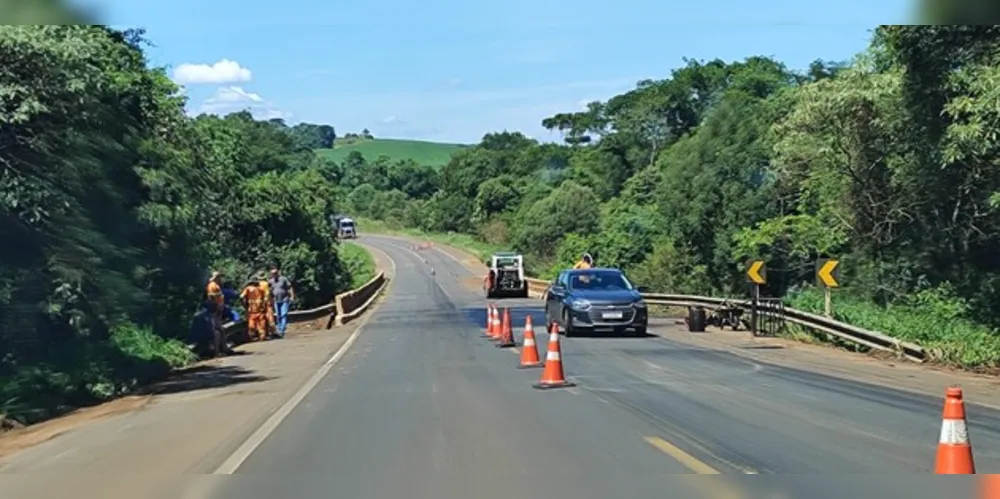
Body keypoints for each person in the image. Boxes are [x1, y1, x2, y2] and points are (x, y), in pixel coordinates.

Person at [268, 265, 295, 338]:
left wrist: (292, 296)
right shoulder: (270, 281)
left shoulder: (284, 279)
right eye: (273, 274)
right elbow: (269, 291)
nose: (274, 275)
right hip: (276, 300)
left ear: (278, 273)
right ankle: (279, 328)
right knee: (278, 315)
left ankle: (282, 330)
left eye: (275, 273)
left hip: (284, 299)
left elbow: (290, 288)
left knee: (284, 314)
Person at [240, 275, 268, 342]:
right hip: (260, 308)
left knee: (252, 323)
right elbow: (265, 298)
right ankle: (262, 336)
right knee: (261, 323)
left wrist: (244, 305)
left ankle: (252, 336)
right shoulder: (261, 289)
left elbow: (241, 297)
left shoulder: (248, 289)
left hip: (251, 309)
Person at [258, 274, 276, 338]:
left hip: (259, 304)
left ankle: (263, 334)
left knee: (261, 319)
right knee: (270, 318)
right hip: (267, 303)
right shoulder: (267, 284)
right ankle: (273, 332)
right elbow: (268, 294)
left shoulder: (257, 285)